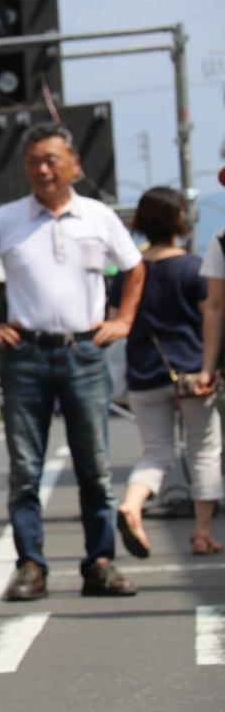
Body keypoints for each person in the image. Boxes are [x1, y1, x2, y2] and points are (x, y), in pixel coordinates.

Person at [0, 121, 144, 600]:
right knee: (24, 469)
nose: (42, 169)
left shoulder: (98, 216)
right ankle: (31, 566)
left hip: (84, 350)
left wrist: (122, 319)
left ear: (74, 164)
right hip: (27, 353)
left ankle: (99, 562)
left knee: (95, 467)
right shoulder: (7, 218)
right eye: (34, 162)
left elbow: (136, 267)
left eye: (52, 159)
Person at [113, 188, 222, 556]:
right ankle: (202, 533)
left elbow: (117, 321)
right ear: (179, 221)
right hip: (192, 372)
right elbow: (212, 314)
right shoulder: (193, 267)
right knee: (203, 449)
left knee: (156, 452)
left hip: (144, 373)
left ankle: (132, 503)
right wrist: (209, 366)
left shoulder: (130, 271)